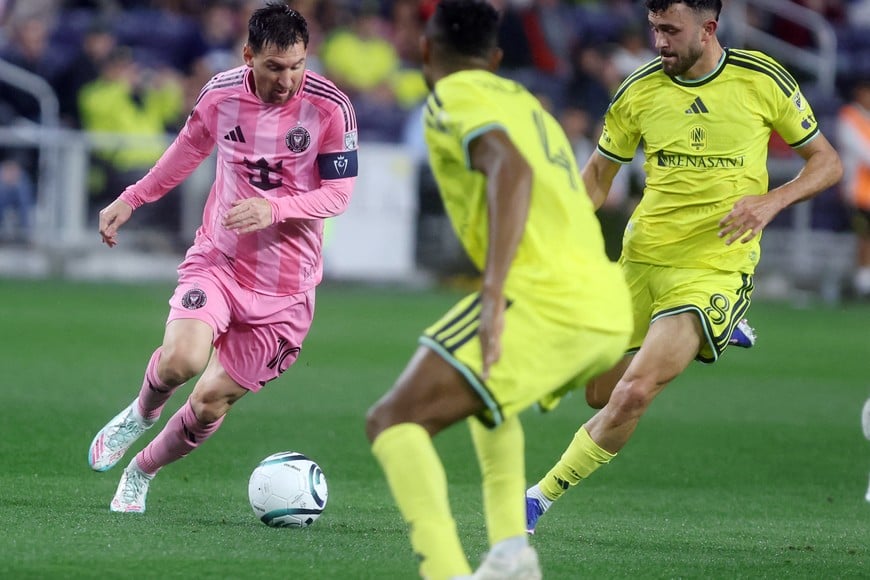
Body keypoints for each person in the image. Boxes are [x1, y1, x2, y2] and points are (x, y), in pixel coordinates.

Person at [525, 0, 843, 533]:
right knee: (600, 393)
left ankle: (536, 500)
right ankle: (708, 334)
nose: (659, 42)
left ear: (708, 28)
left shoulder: (761, 79)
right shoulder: (639, 89)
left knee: (632, 394)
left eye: (670, 31)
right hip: (644, 256)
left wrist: (771, 202)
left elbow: (828, 162)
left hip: (715, 264)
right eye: (654, 30)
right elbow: (599, 177)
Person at [365, 1, 633, 578]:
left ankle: (444, 572)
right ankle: (512, 554)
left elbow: (508, 168)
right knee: (494, 403)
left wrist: (491, 292)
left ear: (425, 51)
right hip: (606, 301)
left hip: (544, 299)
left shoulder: (452, 98)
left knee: (392, 421)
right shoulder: (525, 102)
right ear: (497, 58)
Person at [87, 2, 358, 514]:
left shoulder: (330, 107)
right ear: (249, 55)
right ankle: (139, 414)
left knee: (210, 402)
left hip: (287, 289)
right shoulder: (221, 94)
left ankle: (142, 470)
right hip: (222, 260)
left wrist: (274, 208)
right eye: (275, 66)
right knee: (181, 360)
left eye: (297, 65)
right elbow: (187, 150)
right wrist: (133, 197)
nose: (287, 79)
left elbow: (339, 195)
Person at [836, 77, 870, 298]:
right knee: (865, 239)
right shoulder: (849, 117)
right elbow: (864, 154)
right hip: (859, 192)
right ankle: (862, 286)